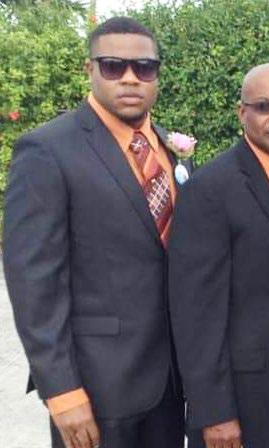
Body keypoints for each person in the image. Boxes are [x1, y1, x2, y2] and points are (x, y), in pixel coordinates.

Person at [3, 17, 190, 448]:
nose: (130, 77)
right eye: (113, 66)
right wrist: (62, 391)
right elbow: (34, 281)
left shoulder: (167, 148)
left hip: (168, 386)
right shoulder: (47, 149)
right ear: (90, 69)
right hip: (95, 387)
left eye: (144, 67)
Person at [168, 63, 269, 448]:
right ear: (242, 113)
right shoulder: (210, 189)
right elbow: (195, 312)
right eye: (264, 106)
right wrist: (213, 411)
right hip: (242, 408)